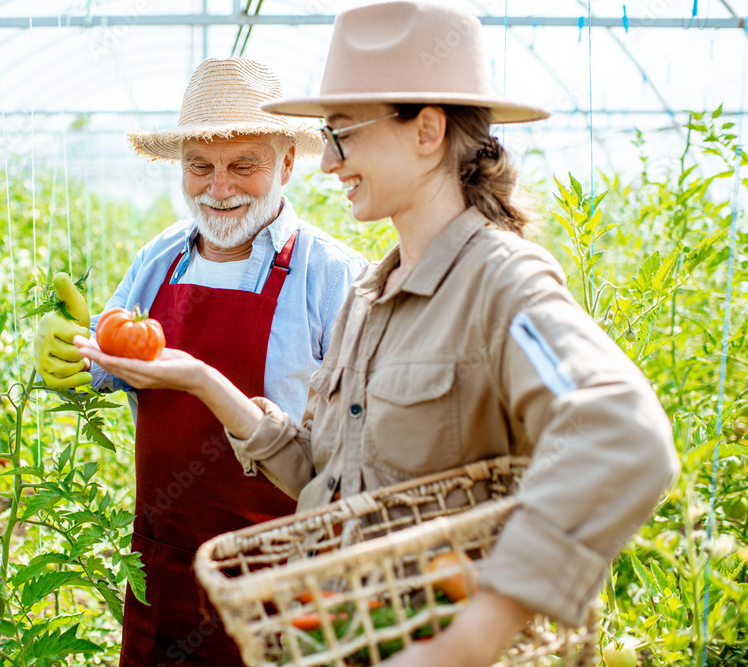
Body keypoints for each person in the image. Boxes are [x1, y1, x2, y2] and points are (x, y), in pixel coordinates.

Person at [74, 4, 679, 667]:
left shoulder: (499, 284)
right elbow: (328, 481)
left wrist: (476, 634)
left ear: (426, 131)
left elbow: (625, 436)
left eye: (344, 134)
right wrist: (204, 381)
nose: (330, 162)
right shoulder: (372, 295)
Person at [33, 57, 366, 666]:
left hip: (281, 575)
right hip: (164, 567)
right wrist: (73, 352)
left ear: (287, 162)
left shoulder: (333, 277)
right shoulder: (160, 259)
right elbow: (110, 364)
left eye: (244, 165)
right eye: (200, 167)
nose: (219, 187)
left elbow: (356, 451)